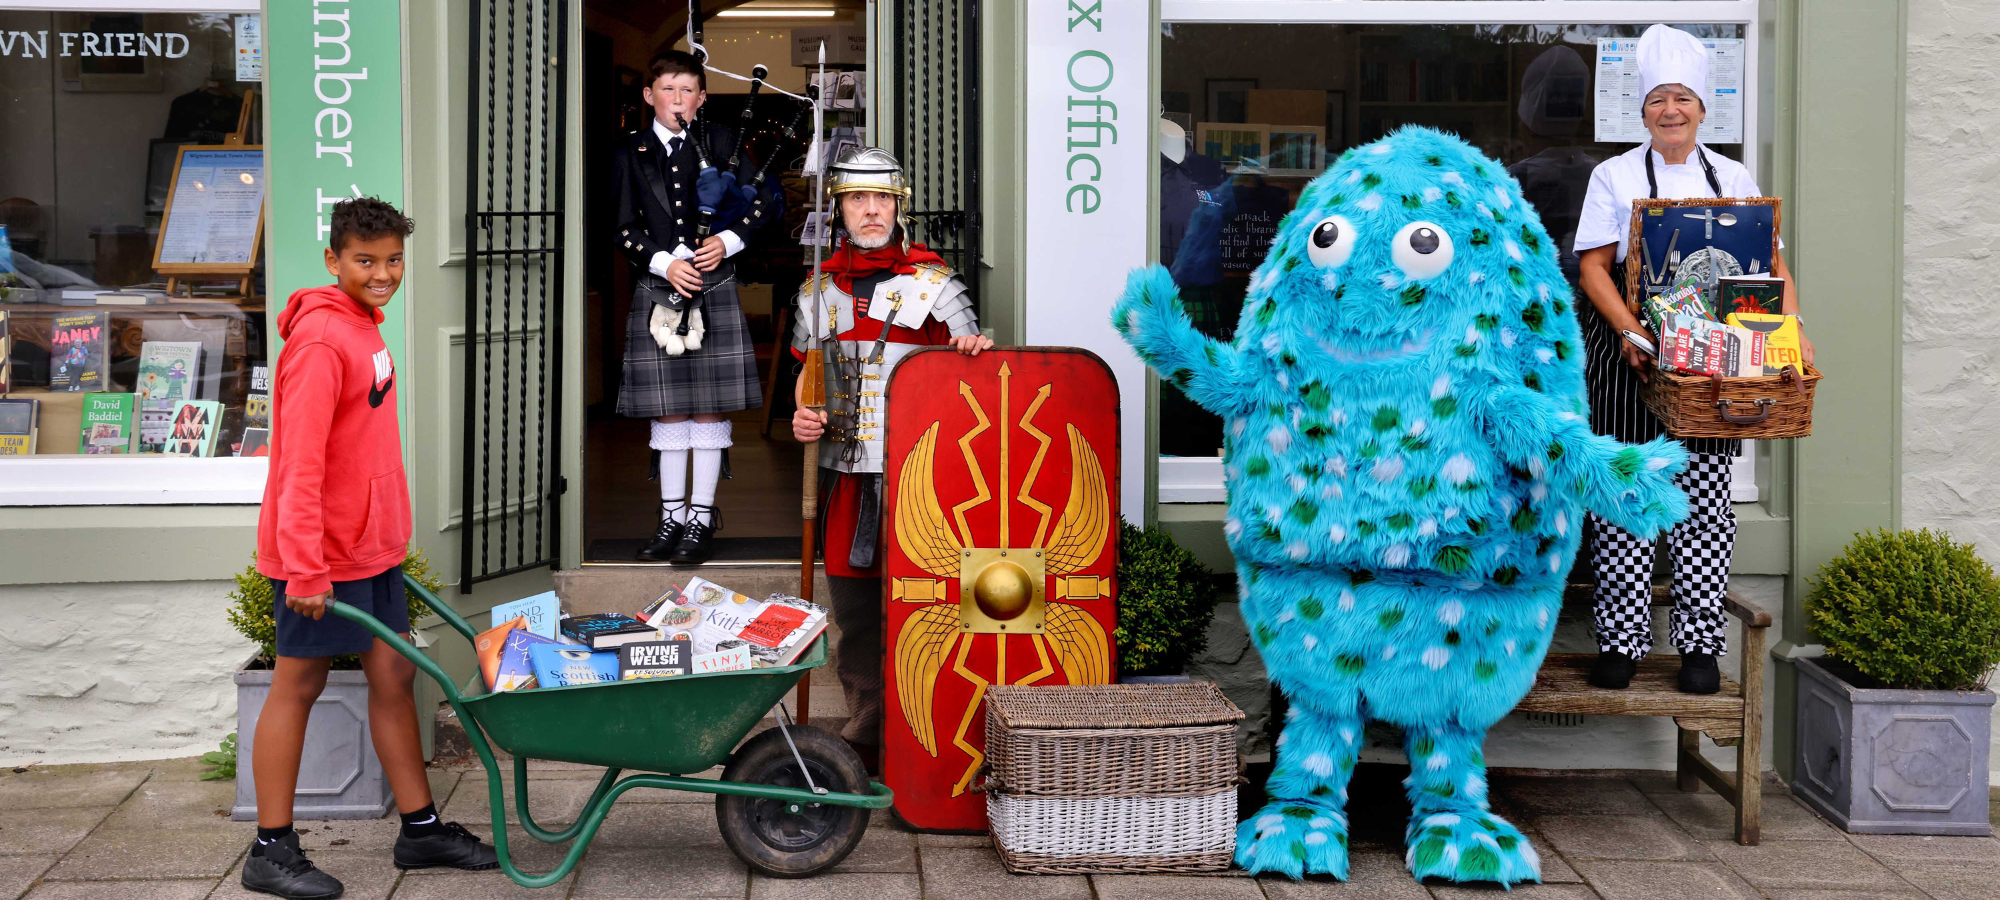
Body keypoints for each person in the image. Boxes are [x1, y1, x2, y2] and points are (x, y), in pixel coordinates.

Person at [247, 198, 496, 899]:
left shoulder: (362, 326)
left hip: (372, 549)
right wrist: (304, 567)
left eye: (392, 259)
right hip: (322, 556)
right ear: (332, 260)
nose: (383, 273)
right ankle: (270, 848)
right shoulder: (323, 342)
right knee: (298, 683)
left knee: (393, 677)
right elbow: (297, 466)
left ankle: (420, 831)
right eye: (365, 261)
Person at [1573, 25, 1812, 694]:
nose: (1670, 110)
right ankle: (1620, 645)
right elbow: (1592, 268)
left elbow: (1770, 262)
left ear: (1704, 109)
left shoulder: (1730, 176)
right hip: (1629, 364)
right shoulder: (1613, 175)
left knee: (1704, 509)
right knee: (1624, 503)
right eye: (1657, 101)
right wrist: (1628, 328)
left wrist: (1793, 329)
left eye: (1682, 98)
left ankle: (1699, 649)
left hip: (1712, 361)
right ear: (1642, 111)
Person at [788, 146, 993, 770]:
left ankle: (929, 736)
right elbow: (808, 381)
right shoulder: (818, 288)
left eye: (881, 199)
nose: (870, 210)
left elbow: (969, 386)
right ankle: (869, 732)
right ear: (840, 209)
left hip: (920, 475)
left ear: (899, 206)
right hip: (847, 475)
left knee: (927, 604)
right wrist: (803, 417)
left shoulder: (935, 284)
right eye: (857, 199)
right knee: (855, 611)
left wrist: (972, 349)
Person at [614, 50, 779, 565]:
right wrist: (664, 262)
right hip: (661, 286)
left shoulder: (722, 143)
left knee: (707, 408)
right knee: (668, 410)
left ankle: (701, 520)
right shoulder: (630, 151)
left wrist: (728, 240)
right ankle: (670, 521)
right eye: (668, 89)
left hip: (716, 283)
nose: (677, 100)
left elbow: (764, 201)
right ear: (650, 95)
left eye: (688, 91)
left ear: (701, 97)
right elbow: (621, 226)